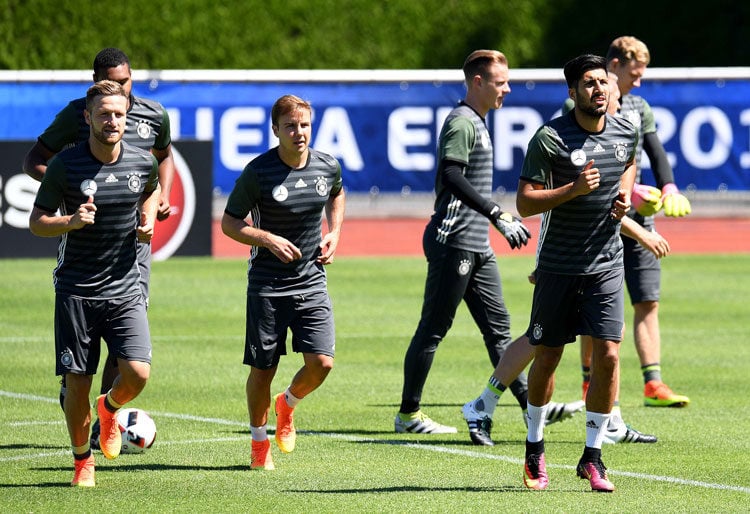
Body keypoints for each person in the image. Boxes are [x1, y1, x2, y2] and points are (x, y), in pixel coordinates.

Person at [23, 47, 175, 446]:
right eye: (112, 88)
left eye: (126, 84)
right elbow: (36, 159)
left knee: (129, 346)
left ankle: (104, 417)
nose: (119, 101)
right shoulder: (78, 116)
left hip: (130, 251)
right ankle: (82, 417)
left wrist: (155, 204)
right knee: (81, 370)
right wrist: (69, 197)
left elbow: (160, 164)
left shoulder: (154, 115)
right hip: (83, 252)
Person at [395, 49, 538, 435]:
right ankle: (408, 414)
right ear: (478, 82)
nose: (507, 89)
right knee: (434, 328)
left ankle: (530, 408)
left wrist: (492, 220)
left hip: (477, 244)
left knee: (499, 330)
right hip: (453, 240)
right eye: (500, 81)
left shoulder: (478, 120)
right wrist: (497, 214)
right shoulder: (462, 122)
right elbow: (453, 176)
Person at [518, 54, 637, 492]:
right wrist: (573, 189)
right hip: (559, 267)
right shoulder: (549, 138)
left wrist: (622, 199)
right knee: (548, 355)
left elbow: (626, 166)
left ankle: (593, 456)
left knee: (608, 354)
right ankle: (534, 447)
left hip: (606, 263)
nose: (599, 90)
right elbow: (525, 203)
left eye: (603, 82)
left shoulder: (626, 130)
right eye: (589, 84)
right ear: (573, 93)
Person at [221, 94, 345, 471]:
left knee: (322, 363)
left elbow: (337, 194)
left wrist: (335, 232)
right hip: (267, 285)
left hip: (311, 280)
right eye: (290, 126)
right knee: (263, 370)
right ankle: (260, 443)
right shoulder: (258, 173)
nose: (299, 132)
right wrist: (267, 238)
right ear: (275, 130)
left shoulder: (327, 166)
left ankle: (287, 404)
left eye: (304, 125)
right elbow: (230, 223)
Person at [602, 36, 691, 408]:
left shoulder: (638, 105)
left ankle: (653, 383)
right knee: (598, 307)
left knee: (647, 300)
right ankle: (590, 383)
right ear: (615, 65)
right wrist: (630, 188)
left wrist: (668, 187)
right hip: (601, 218)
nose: (639, 81)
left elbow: (654, 150)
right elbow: (588, 161)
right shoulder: (585, 104)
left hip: (641, 216)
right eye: (634, 73)